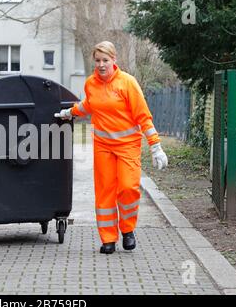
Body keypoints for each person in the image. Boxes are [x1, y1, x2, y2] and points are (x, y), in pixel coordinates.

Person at [55, 41, 168, 254]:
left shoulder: (128, 83)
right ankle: (108, 239)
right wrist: (70, 112)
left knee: (127, 188)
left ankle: (127, 230)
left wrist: (155, 146)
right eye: (97, 61)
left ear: (114, 60)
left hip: (127, 146)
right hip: (103, 146)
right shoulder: (91, 83)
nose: (101, 65)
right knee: (105, 192)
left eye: (105, 60)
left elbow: (143, 115)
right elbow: (89, 105)